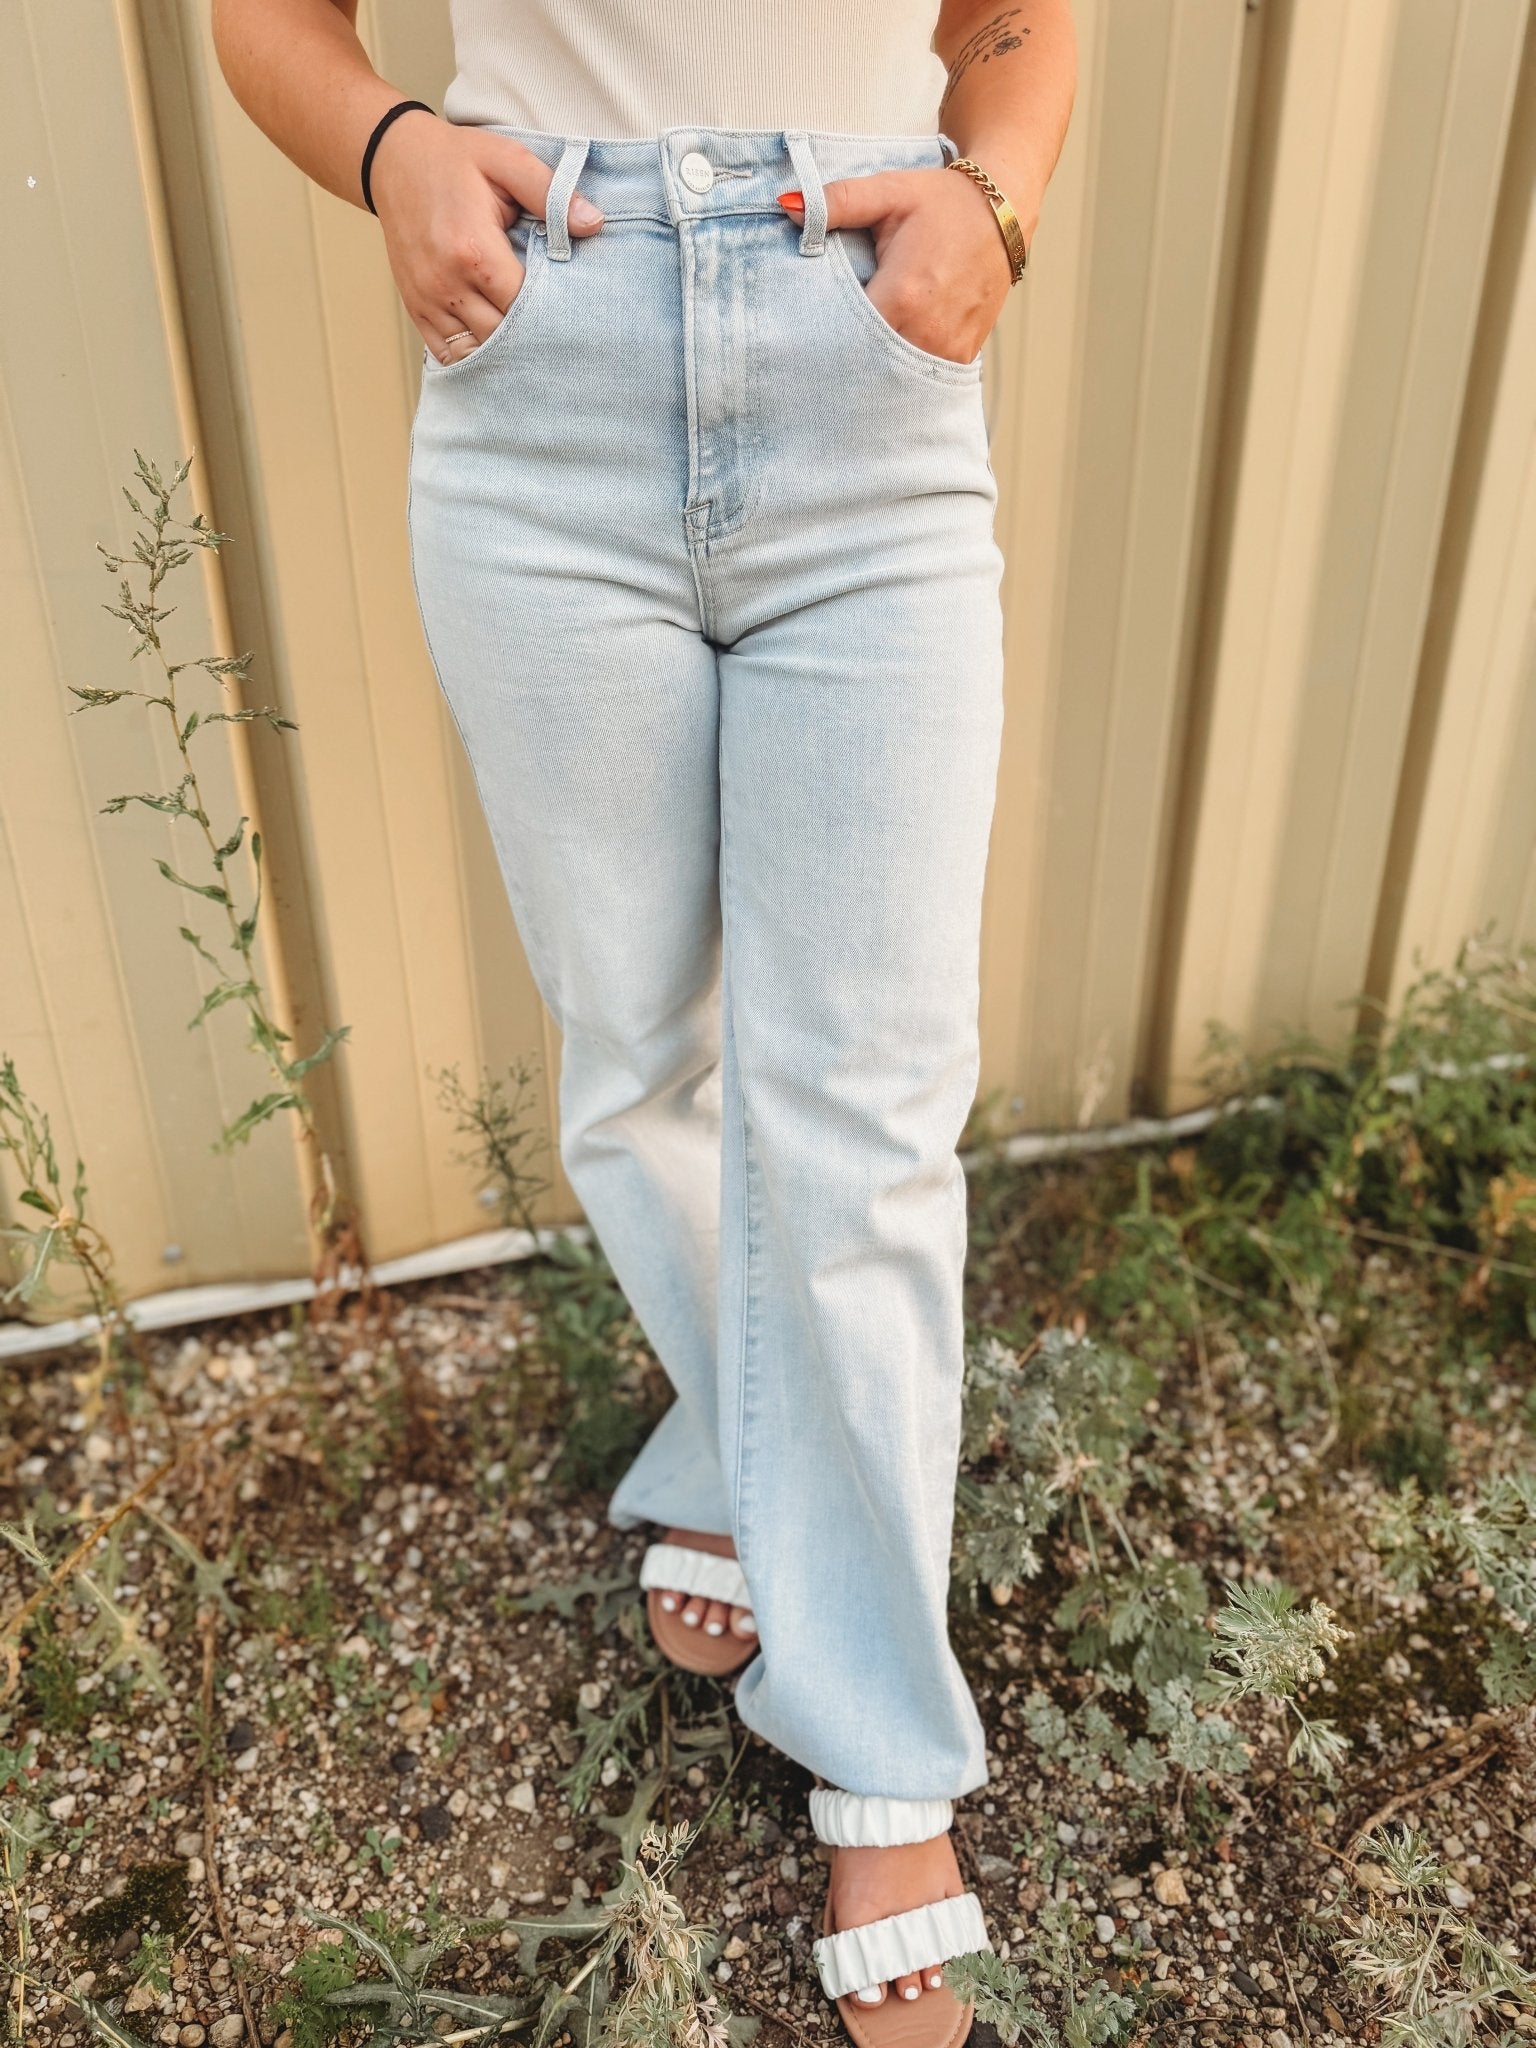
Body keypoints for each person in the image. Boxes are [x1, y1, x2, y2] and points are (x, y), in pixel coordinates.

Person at [212, 2, 1075, 2037]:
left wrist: (995, 202)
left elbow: (1019, 20)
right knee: (637, 1046)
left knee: (864, 1112)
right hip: (552, 367)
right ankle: (738, 1428)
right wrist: (392, 151)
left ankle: (882, 1753)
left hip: (861, 357)